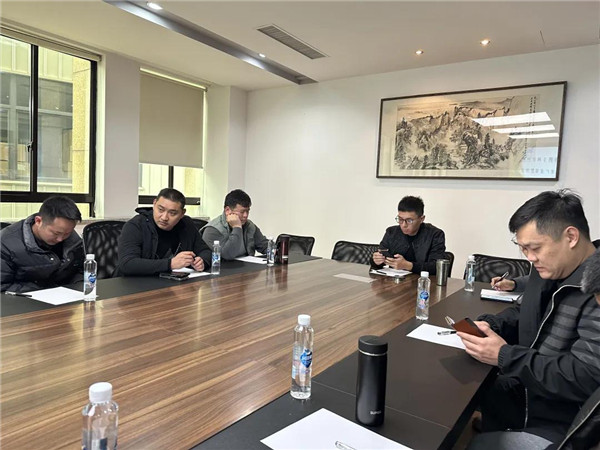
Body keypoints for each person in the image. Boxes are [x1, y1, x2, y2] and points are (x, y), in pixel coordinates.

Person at [458, 190, 600, 447]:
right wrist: (491, 325)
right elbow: (522, 312)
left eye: (535, 248)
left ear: (570, 236)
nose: (530, 258)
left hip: (561, 418)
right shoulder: (547, 269)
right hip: (528, 389)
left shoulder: (596, 290)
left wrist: (505, 356)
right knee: (466, 389)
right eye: (523, 249)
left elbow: (586, 376)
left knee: (475, 443)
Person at [115, 188, 211, 276]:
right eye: (160, 210)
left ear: (182, 213)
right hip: (133, 283)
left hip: (170, 283)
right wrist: (170, 264)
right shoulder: (136, 225)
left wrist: (202, 261)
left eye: (172, 213)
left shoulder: (186, 225)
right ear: (154, 204)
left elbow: (205, 251)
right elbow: (127, 264)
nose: (164, 217)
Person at [1, 196, 85, 293]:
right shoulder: (5, 244)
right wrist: (44, 291)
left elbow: (81, 271)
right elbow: (2, 287)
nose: (60, 239)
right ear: (38, 221)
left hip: (66, 297)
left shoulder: (73, 241)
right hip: (26, 299)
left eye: (67, 233)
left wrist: (77, 287)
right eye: (56, 233)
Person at [371, 195, 446, 274]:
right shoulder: (391, 232)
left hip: (423, 280)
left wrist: (409, 266)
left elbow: (437, 266)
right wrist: (376, 260)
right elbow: (379, 256)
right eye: (400, 219)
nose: (404, 225)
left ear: (421, 219)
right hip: (395, 279)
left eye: (409, 220)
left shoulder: (435, 235)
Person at [201, 189, 269, 260]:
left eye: (247, 211)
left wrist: (274, 249)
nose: (245, 215)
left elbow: (264, 246)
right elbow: (228, 255)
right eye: (242, 212)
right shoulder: (212, 230)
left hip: (246, 266)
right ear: (227, 210)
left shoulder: (249, 226)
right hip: (224, 266)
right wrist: (237, 227)